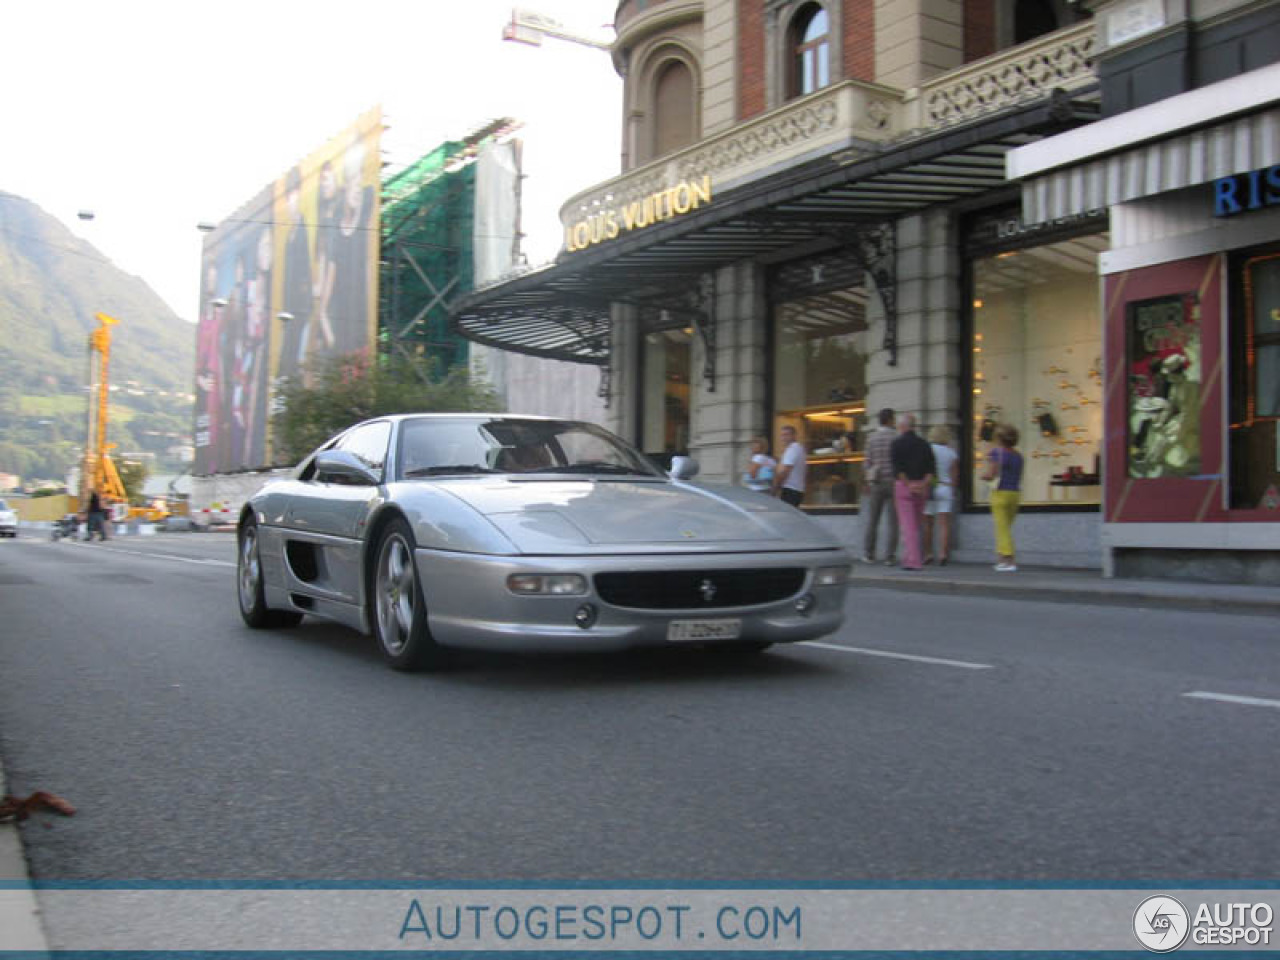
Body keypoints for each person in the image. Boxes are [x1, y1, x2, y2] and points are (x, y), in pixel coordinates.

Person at [889, 413, 935, 571]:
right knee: (917, 524)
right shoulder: (925, 444)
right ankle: (911, 557)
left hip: (904, 487)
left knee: (908, 525)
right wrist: (922, 484)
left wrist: (909, 484)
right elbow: (931, 469)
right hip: (922, 487)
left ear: (902, 426)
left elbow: (898, 468)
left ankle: (913, 560)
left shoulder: (896, 444)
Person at [982, 423, 1024, 572]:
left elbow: (991, 474)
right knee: (1006, 528)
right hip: (1015, 493)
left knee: (1001, 528)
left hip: (1000, 493)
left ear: (999, 438)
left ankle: (1009, 560)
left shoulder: (996, 453)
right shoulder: (1018, 455)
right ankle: (1001, 560)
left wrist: (984, 476)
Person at [861, 407, 898, 566]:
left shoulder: (871, 438)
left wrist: (867, 480)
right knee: (893, 522)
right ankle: (889, 556)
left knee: (873, 520)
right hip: (894, 482)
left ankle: (869, 554)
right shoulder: (896, 437)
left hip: (876, 482)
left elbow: (866, 462)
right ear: (890, 420)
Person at [922, 424, 958, 565]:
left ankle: (928, 553)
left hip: (930, 487)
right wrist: (953, 490)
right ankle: (943, 553)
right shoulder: (951, 452)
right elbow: (955, 475)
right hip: (945, 486)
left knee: (928, 523)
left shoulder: (927, 450)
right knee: (944, 524)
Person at [772, 424, 808, 507]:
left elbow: (784, 471)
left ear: (793, 436)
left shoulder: (792, 449)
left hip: (790, 489)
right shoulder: (799, 448)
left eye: (786, 435)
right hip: (796, 489)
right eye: (782, 435)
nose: (783, 438)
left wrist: (775, 488)